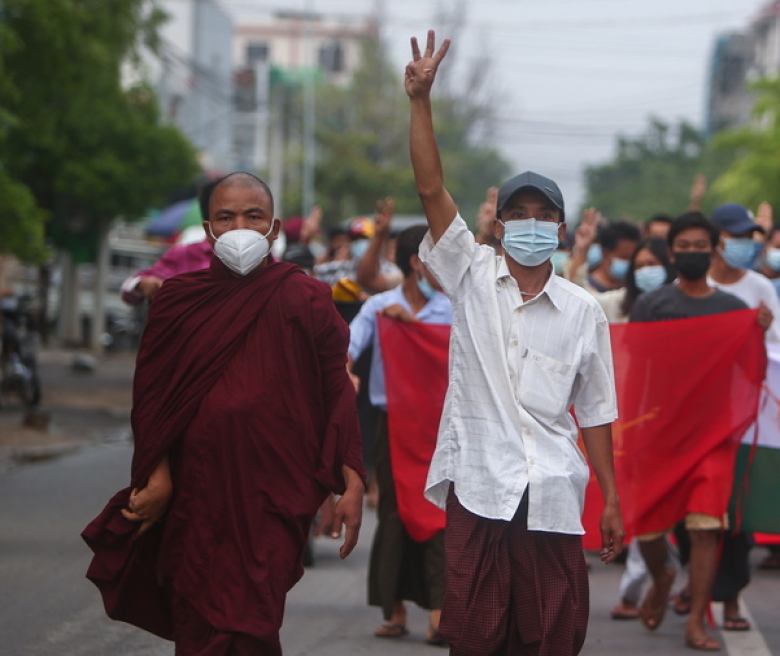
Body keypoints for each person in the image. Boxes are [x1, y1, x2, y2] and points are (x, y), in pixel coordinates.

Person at [82, 171, 366, 654]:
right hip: (197, 490)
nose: (239, 227)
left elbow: (334, 387)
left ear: (274, 229)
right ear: (209, 229)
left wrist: (353, 478)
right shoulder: (178, 301)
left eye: (253, 216)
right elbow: (153, 397)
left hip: (274, 492)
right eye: (226, 216)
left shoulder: (307, 298)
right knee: (199, 618)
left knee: (248, 622)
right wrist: (158, 474)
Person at [406, 31, 624, 655]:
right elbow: (430, 192)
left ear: (560, 228)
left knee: (551, 635)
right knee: (476, 636)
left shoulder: (583, 311)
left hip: (553, 492)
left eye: (542, 215)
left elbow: (599, 411)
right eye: (518, 214)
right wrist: (421, 102)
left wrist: (611, 499)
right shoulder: (469, 274)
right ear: (500, 226)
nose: (530, 225)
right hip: (480, 486)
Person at [629, 211, 767, 652]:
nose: (692, 253)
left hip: (712, 436)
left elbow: (750, 372)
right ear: (671, 253)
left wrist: (758, 333)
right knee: (646, 529)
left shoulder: (734, 310)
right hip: (660, 433)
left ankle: (696, 620)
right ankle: (662, 576)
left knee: (707, 528)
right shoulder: (651, 306)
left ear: (715, 250)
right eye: (683, 247)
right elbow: (634, 370)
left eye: (699, 246)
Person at [347, 225, 453, 644]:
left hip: (442, 427)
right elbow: (348, 348)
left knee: (440, 513)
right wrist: (346, 370)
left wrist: (413, 327)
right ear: (416, 262)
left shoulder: (453, 309)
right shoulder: (379, 306)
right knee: (393, 513)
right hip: (394, 426)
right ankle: (394, 609)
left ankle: (441, 612)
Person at [707, 202, 780, 345]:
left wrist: (765, 328)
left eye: (749, 237)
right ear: (716, 239)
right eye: (737, 236)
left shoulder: (761, 286)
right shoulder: (693, 286)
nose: (744, 242)